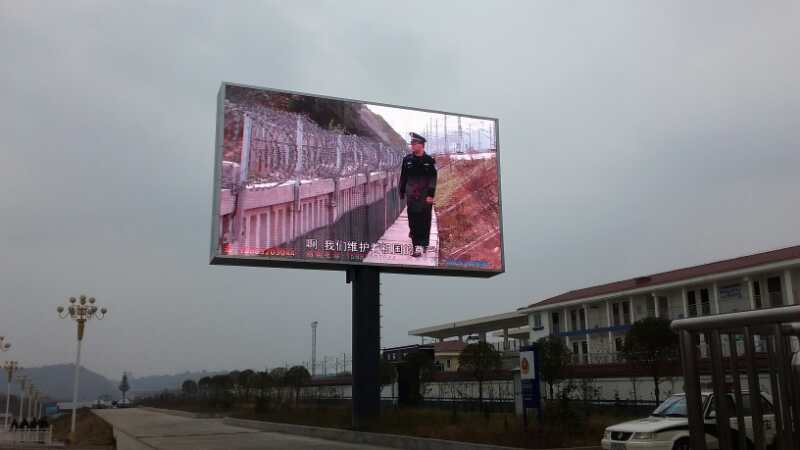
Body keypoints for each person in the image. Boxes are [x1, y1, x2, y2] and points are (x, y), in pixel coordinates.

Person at [399, 132, 437, 257]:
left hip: (425, 197)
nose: (412, 145)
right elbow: (403, 177)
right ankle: (416, 247)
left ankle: (424, 244)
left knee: (425, 221)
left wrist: (430, 195)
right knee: (413, 222)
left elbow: (433, 179)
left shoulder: (429, 161)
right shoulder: (407, 160)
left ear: (421, 145)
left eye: (414, 143)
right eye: (411, 143)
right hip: (412, 197)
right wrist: (401, 191)